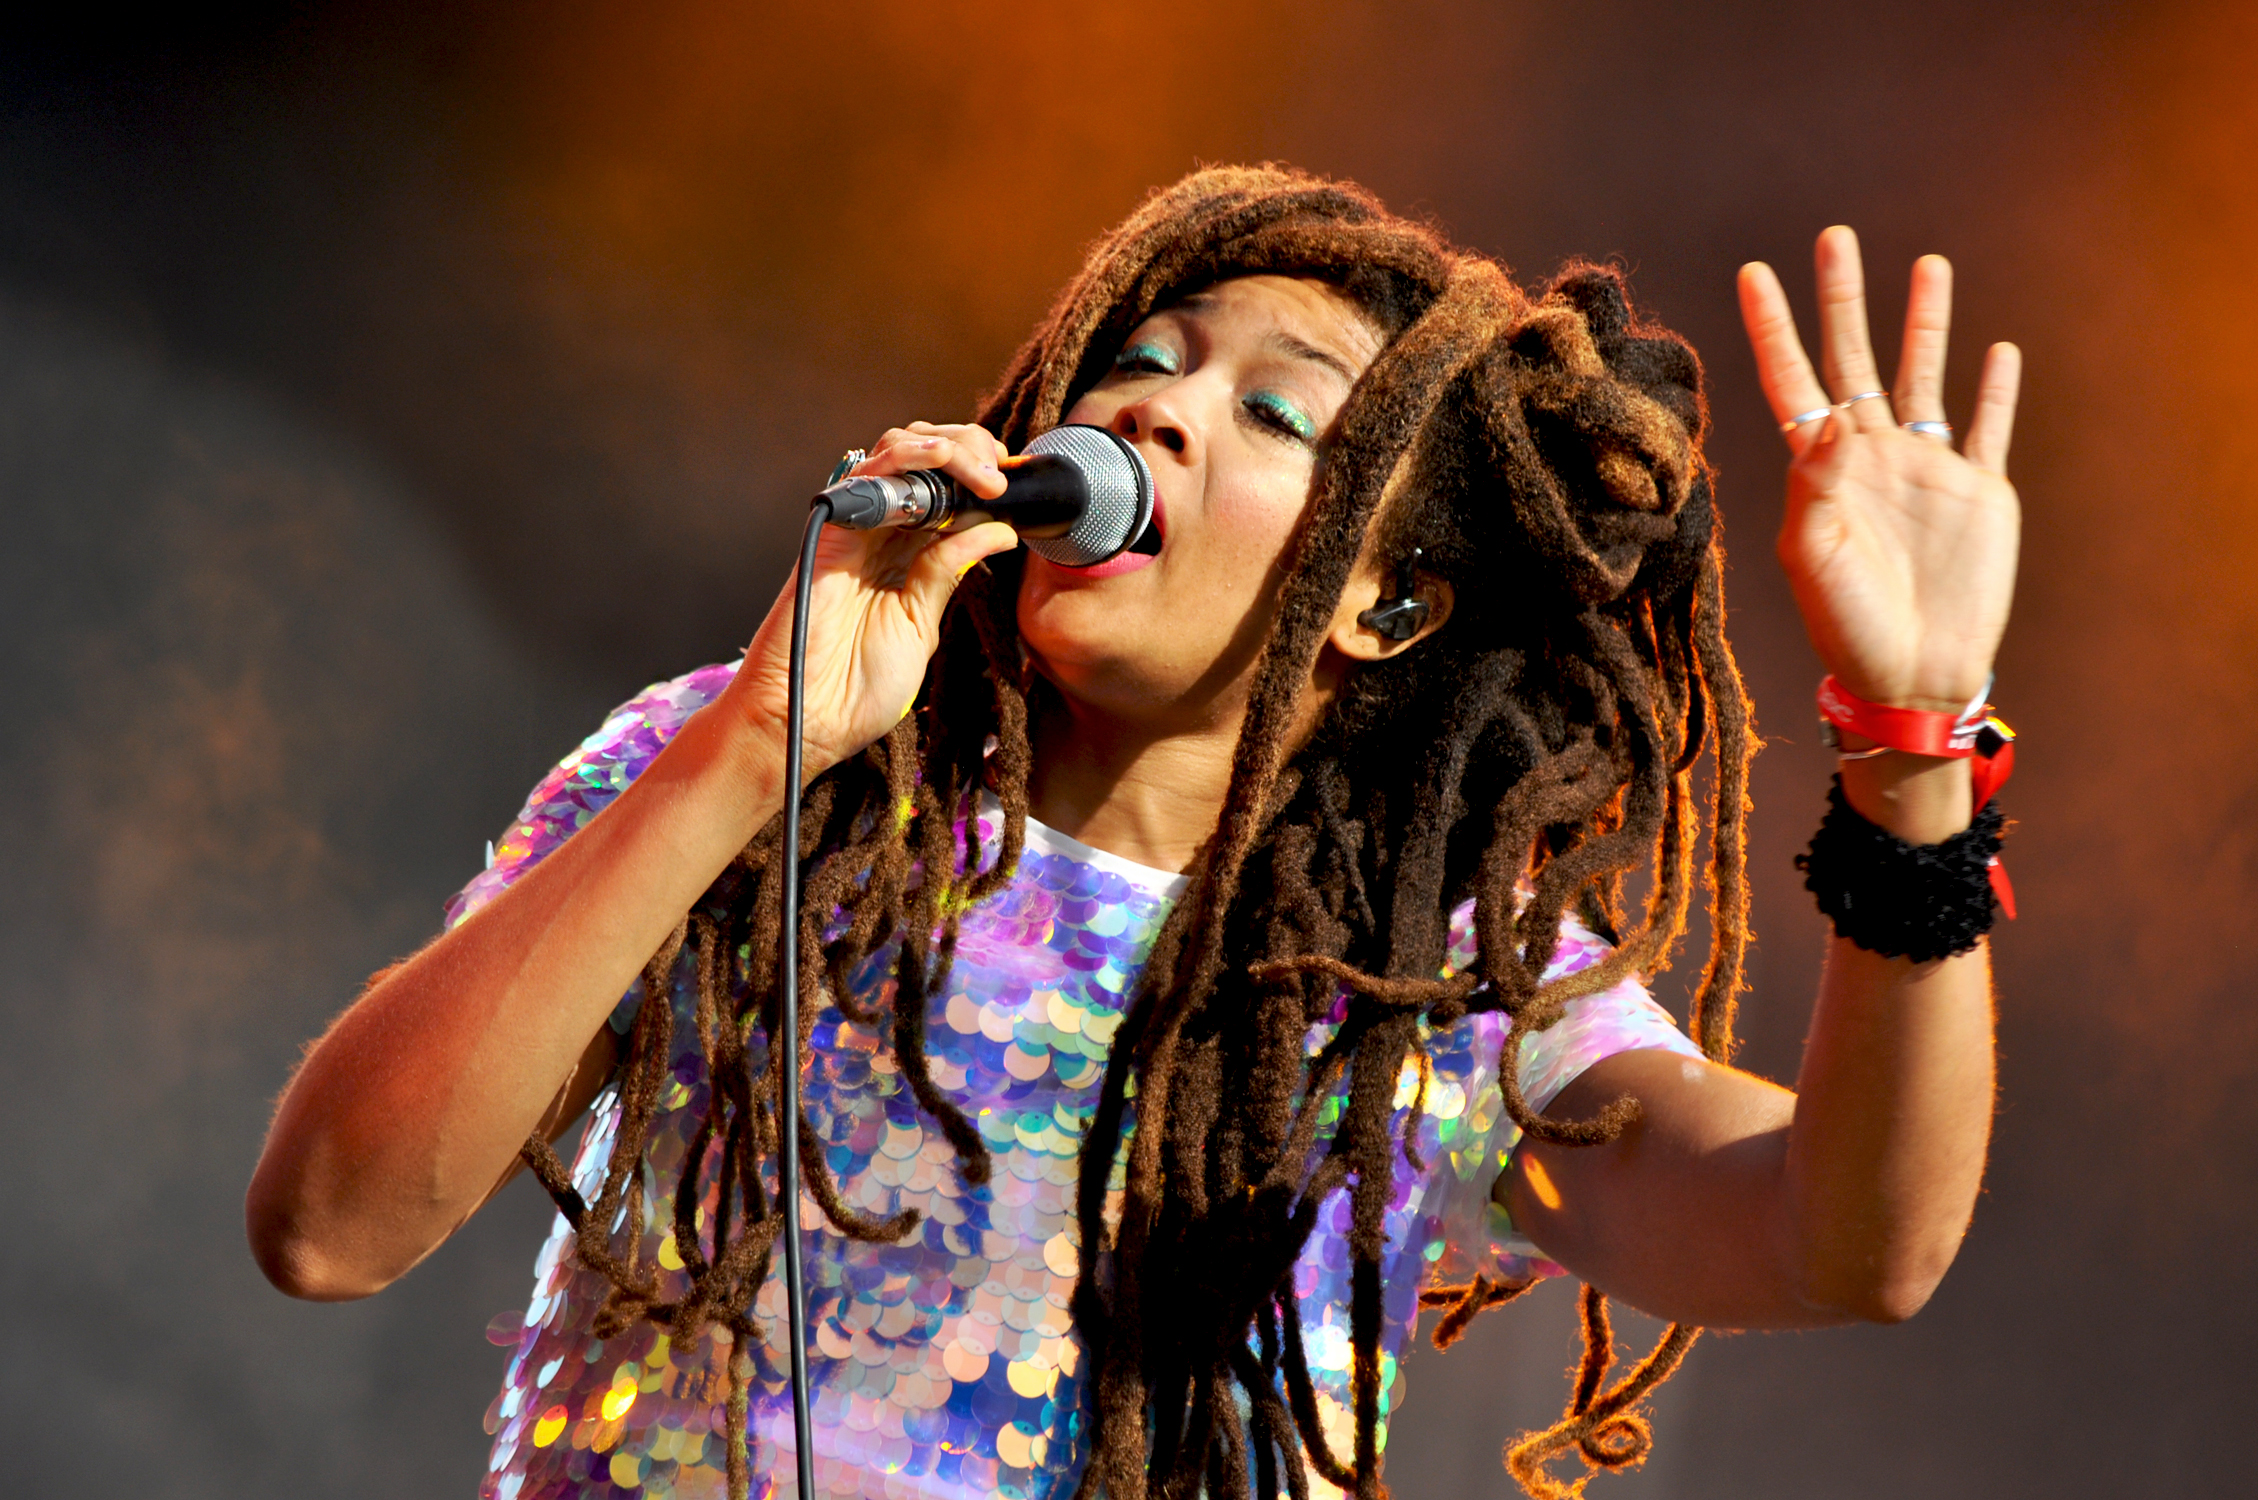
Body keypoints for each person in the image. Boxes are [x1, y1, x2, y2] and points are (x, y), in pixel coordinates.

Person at [246, 166, 2022, 1500]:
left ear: (1387, 605)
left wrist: (1912, 749)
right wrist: (748, 757)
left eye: (1270, 412)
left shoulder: (1429, 995)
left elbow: (1844, 1242)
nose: (1149, 406)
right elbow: (327, 1226)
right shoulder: (744, 781)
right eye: (1140, 361)